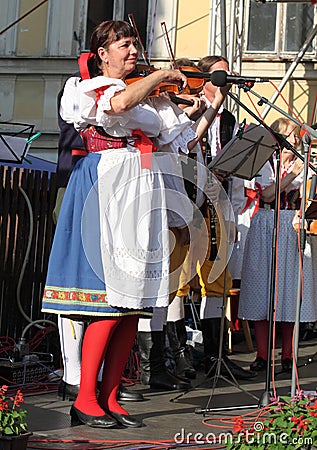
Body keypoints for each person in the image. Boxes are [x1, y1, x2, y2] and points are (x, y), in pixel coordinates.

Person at [42, 20, 230, 428]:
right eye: (123, 45)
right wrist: (162, 75)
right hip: (105, 184)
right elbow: (118, 106)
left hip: (142, 187)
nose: (131, 52)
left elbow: (179, 140)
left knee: (135, 304)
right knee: (110, 300)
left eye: (133, 45)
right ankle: (85, 396)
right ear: (102, 54)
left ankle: (109, 394)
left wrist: (203, 105)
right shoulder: (85, 89)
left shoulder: (152, 100)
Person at [55, 74, 144, 404]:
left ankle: (104, 382)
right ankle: (73, 374)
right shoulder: (78, 87)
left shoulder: (137, 93)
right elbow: (76, 124)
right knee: (80, 284)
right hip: (82, 180)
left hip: (124, 185)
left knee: (117, 297)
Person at [171, 55, 256, 380]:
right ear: (204, 79)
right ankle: (176, 357)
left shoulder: (228, 118)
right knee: (179, 282)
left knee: (216, 280)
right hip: (186, 203)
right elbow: (183, 144)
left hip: (215, 205)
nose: (226, 81)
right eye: (220, 75)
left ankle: (215, 355)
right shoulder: (183, 107)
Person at [239, 117, 317, 373]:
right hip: (265, 223)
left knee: (289, 290)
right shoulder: (264, 163)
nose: (296, 140)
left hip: (291, 223)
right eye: (291, 135)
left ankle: (287, 355)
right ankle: (263, 355)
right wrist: (293, 174)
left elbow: (306, 195)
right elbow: (269, 194)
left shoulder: (301, 163)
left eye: (296, 136)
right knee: (262, 289)